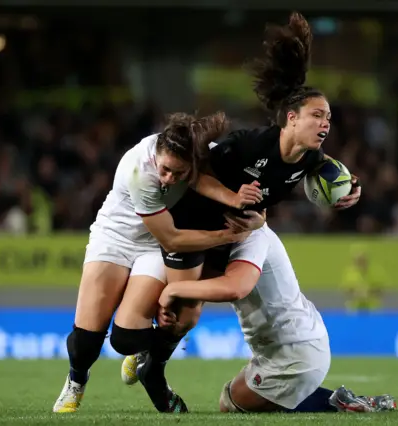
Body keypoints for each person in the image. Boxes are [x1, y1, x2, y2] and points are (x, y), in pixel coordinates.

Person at [117, 11, 362, 412]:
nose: (326, 123)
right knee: (184, 313)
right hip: (193, 227)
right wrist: (232, 199)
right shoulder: (250, 145)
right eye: (318, 115)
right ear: (291, 118)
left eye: (329, 118)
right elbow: (197, 173)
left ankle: (150, 362)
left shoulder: (311, 159)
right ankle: (150, 366)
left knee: (191, 313)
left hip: (237, 233)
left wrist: (350, 190)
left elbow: (332, 175)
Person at [53, 111, 264, 413]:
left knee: (126, 339)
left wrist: (238, 200)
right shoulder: (140, 170)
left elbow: (203, 180)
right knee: (87, 339)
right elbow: (174, 240)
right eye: (165, 170)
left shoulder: (198, 157)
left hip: (152, 248)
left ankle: (140, 355)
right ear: (158, 156)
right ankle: (76, 381)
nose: (169, 179)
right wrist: (227, 236)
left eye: (179, 174)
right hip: (117, 238)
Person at [156, 224, 398, 414]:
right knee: (233, 395)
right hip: (291, 340)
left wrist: (173, 291)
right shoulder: (236, 237)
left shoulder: (253, 237)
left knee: (232, 402)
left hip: (294, 349)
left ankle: (334, 402)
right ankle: (340, 399)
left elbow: (234, 287)